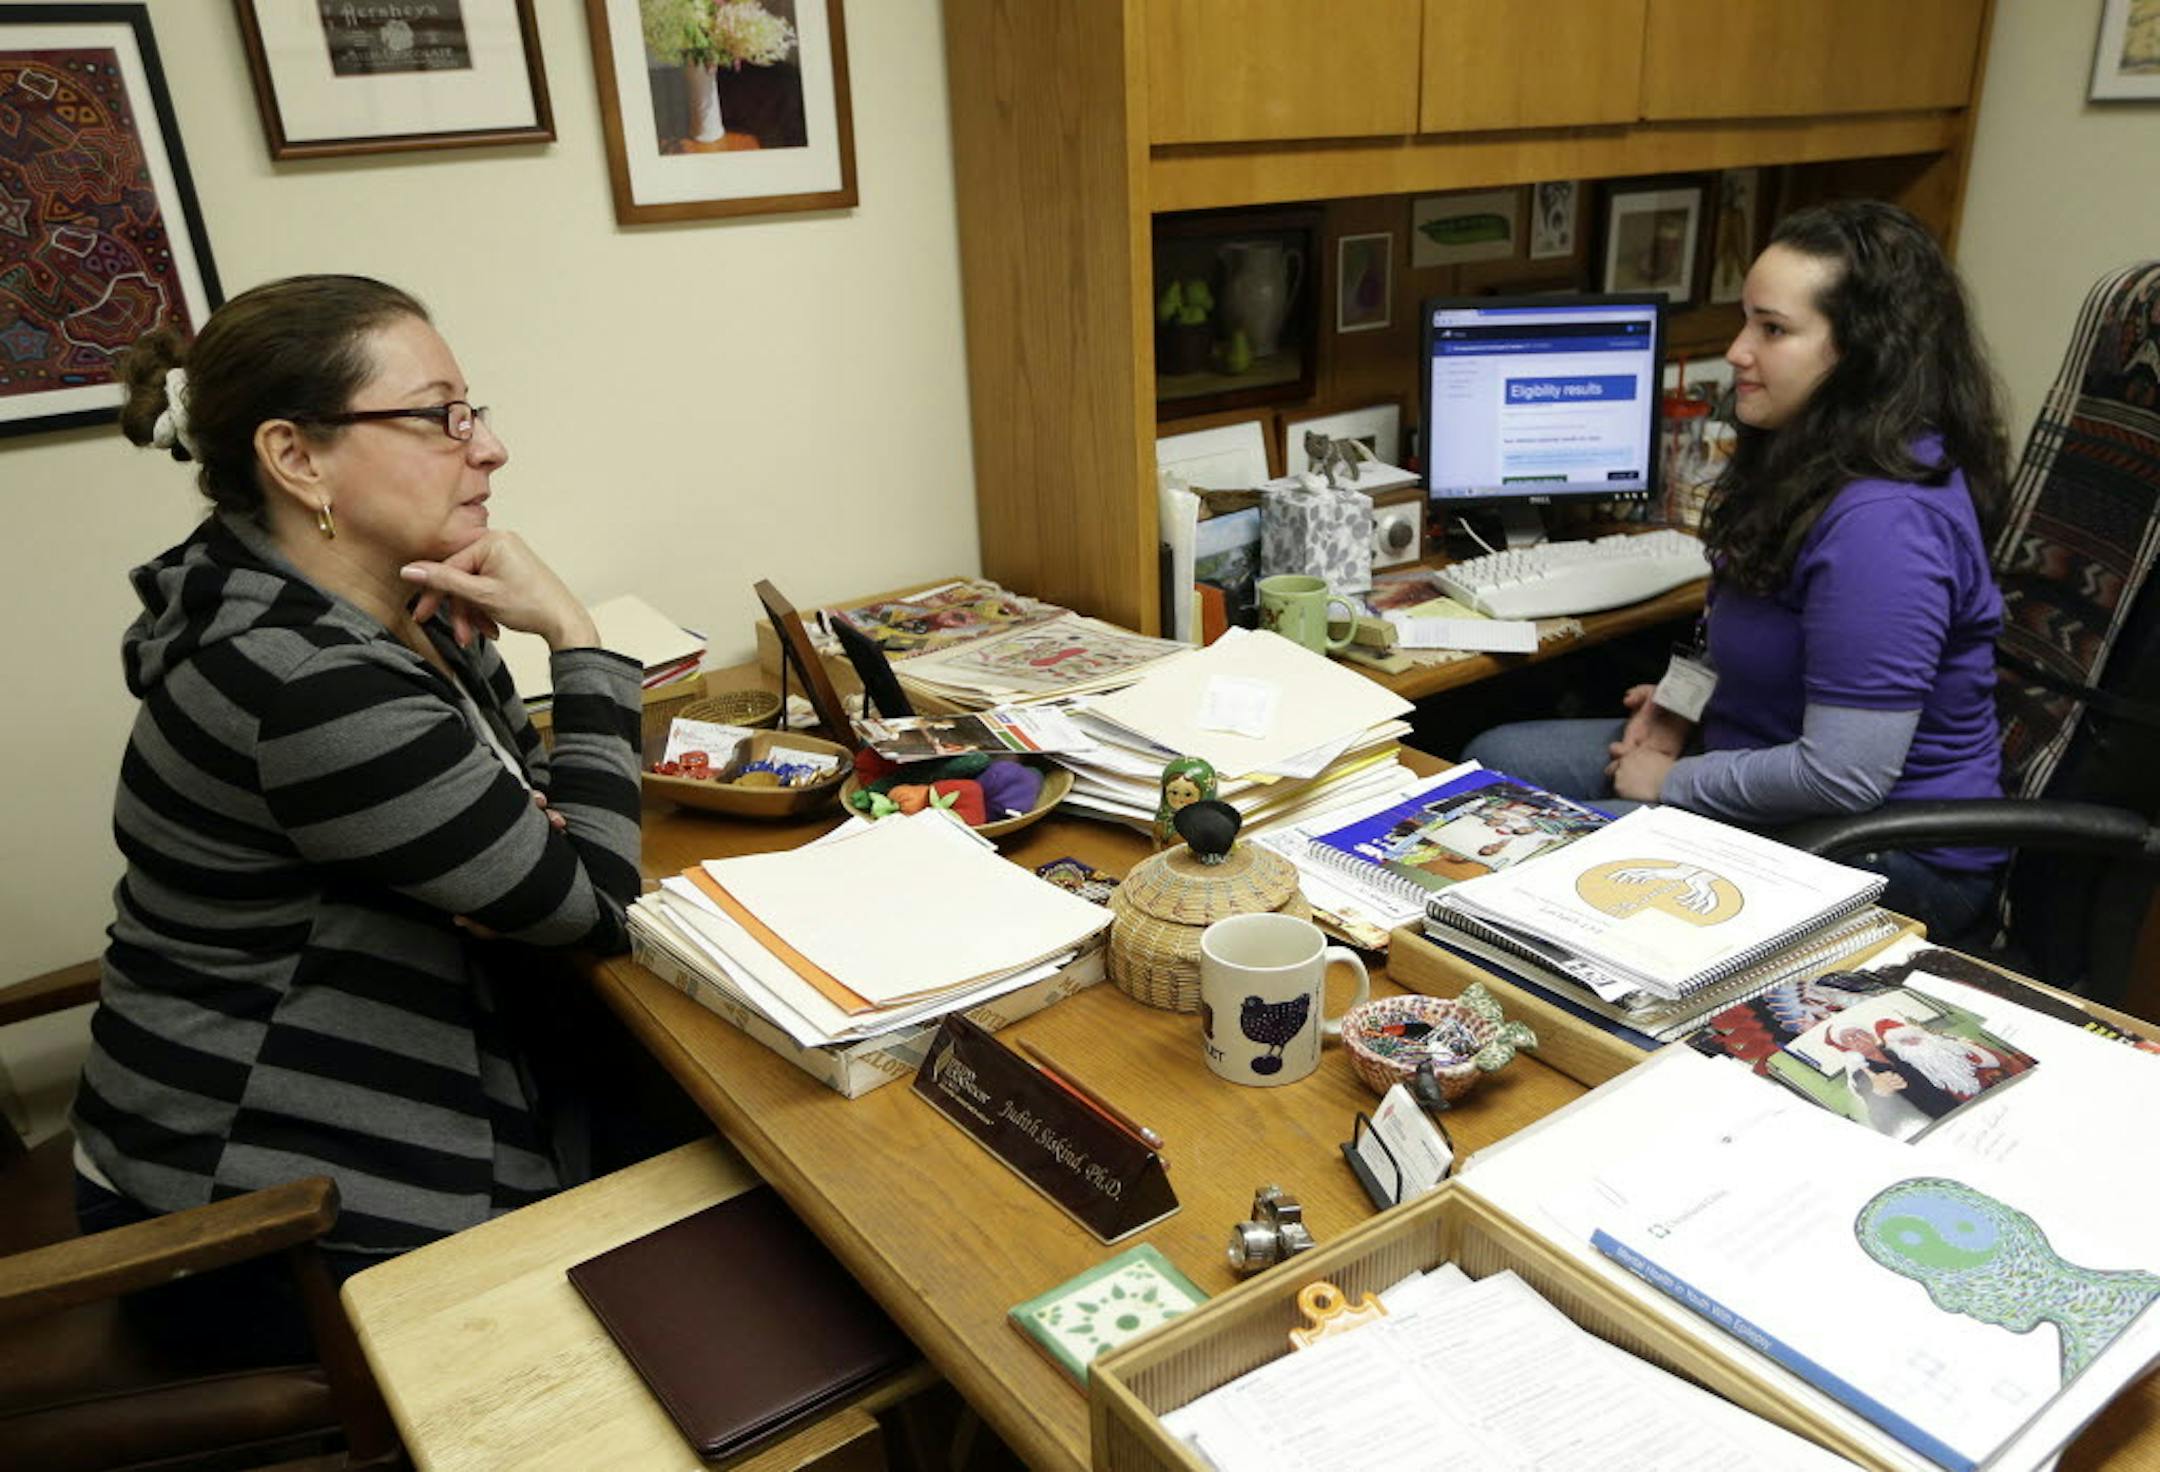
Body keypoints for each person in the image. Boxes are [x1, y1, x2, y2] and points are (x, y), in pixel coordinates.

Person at [70, 276, 644, 1339]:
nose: (488, 449)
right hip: (254, 1215)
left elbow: (520, 810)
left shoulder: (329, 596)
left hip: (349, 1090)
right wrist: (576, 635)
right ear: (296, 458)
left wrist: (520, 845)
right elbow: (594, 899)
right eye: (439, 416)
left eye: (473, 410)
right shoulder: (305, 676)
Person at [1463, 201, 2010, 939]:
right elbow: (1735, 625)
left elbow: (1846, 775)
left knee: (1553, 873)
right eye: (1747, 320)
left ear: (1862, 354)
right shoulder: (1803, 455)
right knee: (1490, 764)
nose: (1738, 351)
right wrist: (1677, 707)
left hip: (1891, 846)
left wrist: (1669, 784)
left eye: (1773, 329)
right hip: (1759, 758)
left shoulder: (1886, 524)